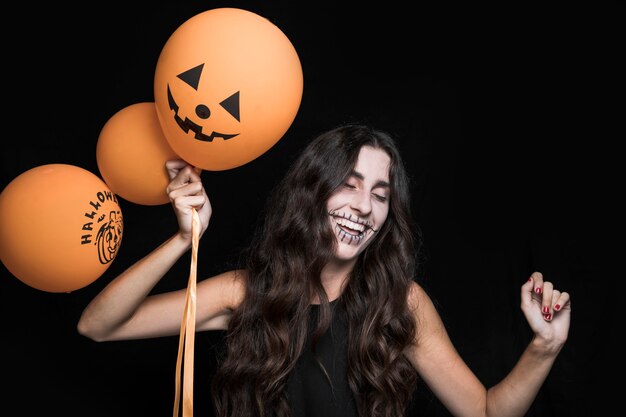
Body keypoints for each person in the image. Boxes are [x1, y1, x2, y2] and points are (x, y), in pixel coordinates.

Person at [77, 124, 571, 417]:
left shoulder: (401, 303)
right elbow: (99, 326)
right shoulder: (245, 292)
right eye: (349, 185)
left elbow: (483, 413)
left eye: (380, 195)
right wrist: (185, 240)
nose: (364, 206)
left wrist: (543, 347)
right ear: (311, 192)